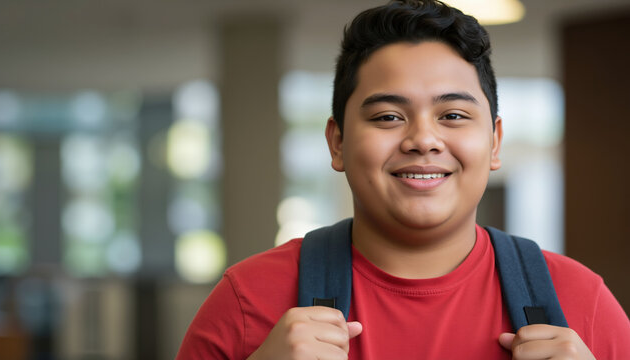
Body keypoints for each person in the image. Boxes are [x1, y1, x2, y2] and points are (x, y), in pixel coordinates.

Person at [176, 0, 630, 359]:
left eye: (452, 115)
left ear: (494, 142)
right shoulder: (248, 300)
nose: (423, 139)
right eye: (389, 116)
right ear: (337, 142)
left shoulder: (579, 303)